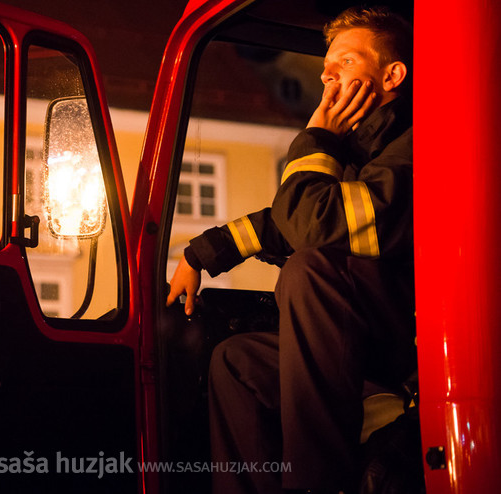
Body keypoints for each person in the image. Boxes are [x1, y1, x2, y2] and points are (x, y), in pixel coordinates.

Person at [166, 7, 414, 494]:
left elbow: (313, 224)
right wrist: (204, 253)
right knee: (237, 362)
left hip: (403, 353)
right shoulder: (363, 150)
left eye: (344, 60)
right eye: (326, 63)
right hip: (362, 339)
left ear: (392, 74)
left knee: (310, 268)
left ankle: (314, 483)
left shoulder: (414, 146)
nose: (326, 73)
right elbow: (290, 219)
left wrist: (320, 135)